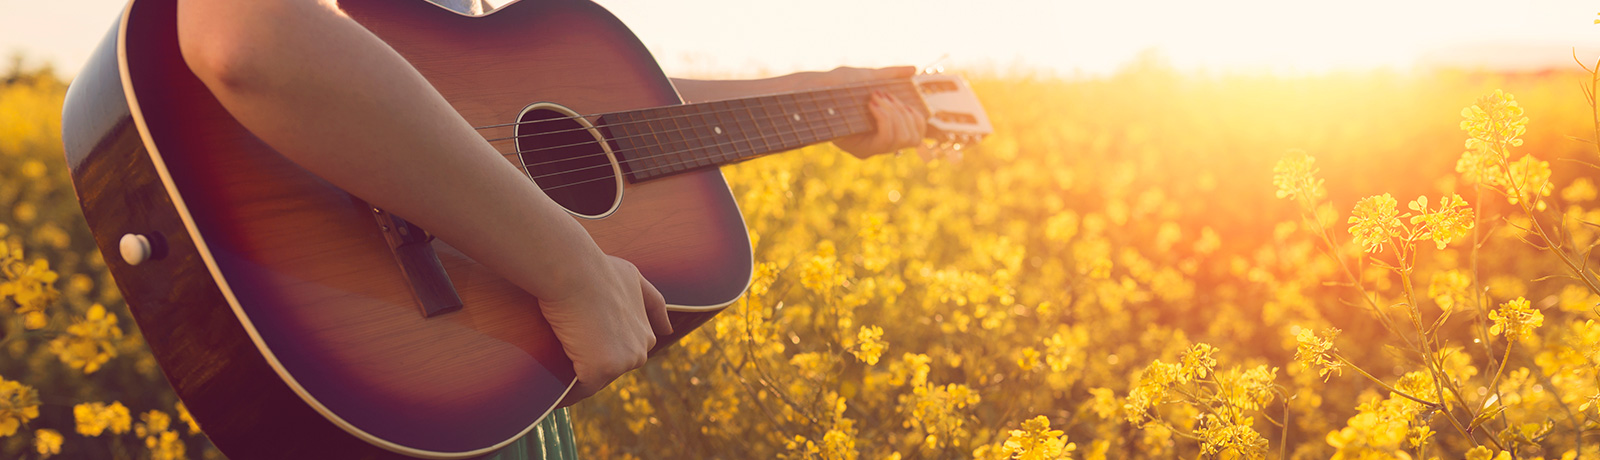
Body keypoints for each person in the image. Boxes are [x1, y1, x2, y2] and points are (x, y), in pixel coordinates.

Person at [174, 0, 928, 458]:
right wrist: (574, 270)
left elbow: (574, 101)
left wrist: (820, 97)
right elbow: (252, 34)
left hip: (475, 393)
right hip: (397, 364)